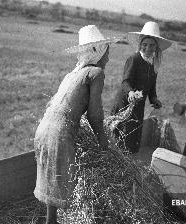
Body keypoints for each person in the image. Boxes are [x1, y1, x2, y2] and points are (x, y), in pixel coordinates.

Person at [33, 25, 118, 224]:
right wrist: (103, 142)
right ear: (98, 51)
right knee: (58, 181)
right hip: (59, 133)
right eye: (107, 51)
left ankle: (48, 220)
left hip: (44, 130)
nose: (109, 58)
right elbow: (94, 114)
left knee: (49, 181)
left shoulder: (72, 74)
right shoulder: (96, 73)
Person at [111, 21, 172, 154]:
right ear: (140, 45)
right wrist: (131, 92)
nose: (147, 48)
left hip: (138, 105)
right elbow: (125, 82)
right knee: (122, 134)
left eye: (151, 45)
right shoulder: (134, 59)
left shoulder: (153, 65)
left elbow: (151, 88)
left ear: (156, 48)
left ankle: (128, 162)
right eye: (144, 45)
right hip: (125, 103)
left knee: (133, 135)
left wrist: (154, 99)